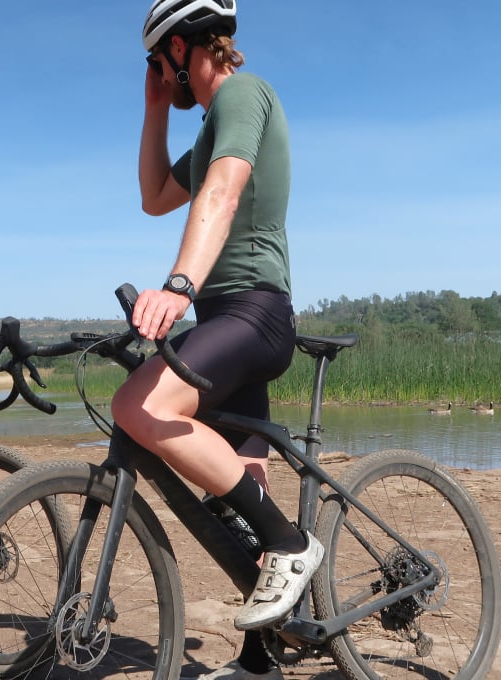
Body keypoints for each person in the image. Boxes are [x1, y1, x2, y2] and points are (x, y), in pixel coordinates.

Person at [109, 2, 318, 678]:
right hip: (228, 318)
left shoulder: (243, 96)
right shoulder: (204, 128)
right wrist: (154, 107)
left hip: (253, 312)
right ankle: (263, 658)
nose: (155, 73)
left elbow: (220, 197)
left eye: (155, 62)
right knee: (242, 498)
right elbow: (155, 196)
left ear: (177, 48)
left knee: (137, 407)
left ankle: (293, 543)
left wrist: (176, 286)